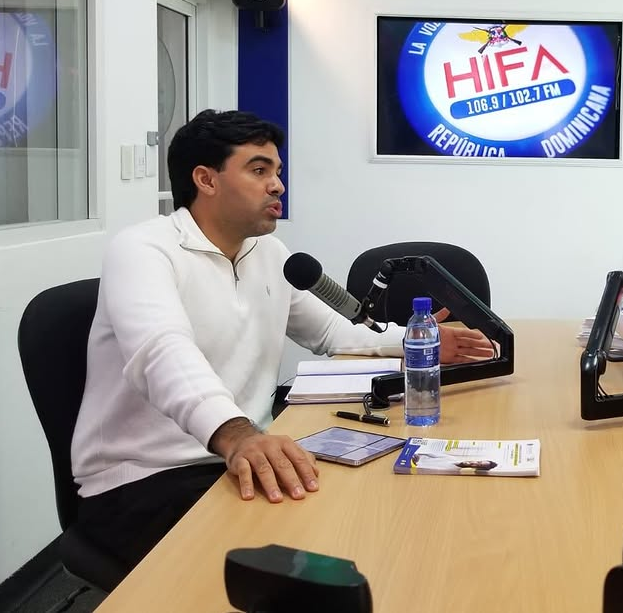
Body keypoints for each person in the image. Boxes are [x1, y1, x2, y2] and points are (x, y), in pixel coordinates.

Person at [71, 109, 495, 571]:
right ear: (206, 179)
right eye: (259, 170)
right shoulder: (143, 249)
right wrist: (236, 435)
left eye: (277, 171)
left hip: (245, 455)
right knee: (308, 564)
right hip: (148, 480)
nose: (277, 185)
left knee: (369, 520)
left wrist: (413, 341)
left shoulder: (268, 252)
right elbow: (162, 352)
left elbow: (331, 331)